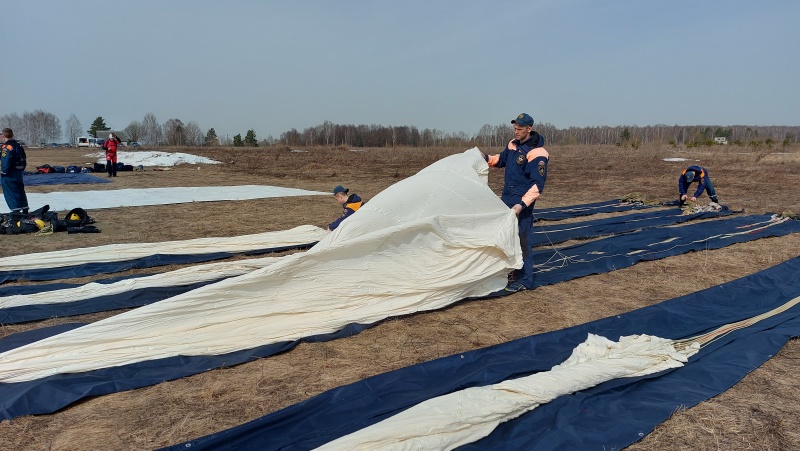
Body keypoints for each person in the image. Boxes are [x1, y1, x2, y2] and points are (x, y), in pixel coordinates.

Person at [483, 113, 549, 292]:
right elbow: (501, 160)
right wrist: (486, 158)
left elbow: (537, 185)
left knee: (523, 240)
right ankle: (513, 271)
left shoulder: (538, 153)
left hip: (521, 205)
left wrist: (521, 205)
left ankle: (526, 279)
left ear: (529, 129)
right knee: (509, 239)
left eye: (519, 129)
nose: (516, 131)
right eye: (514, 128)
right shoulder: (512, 145)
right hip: (507, 201)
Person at [1, 128, 29, 214]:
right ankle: (25, 208)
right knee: (20, 190)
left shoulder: (6, 147)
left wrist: (3, 171)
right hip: (18, 172)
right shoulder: (18, 145)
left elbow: (6, 160)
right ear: (12, 135)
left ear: (3, 136)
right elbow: (24, 158)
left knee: (10, 192)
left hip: (9, 174)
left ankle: (15, 212)